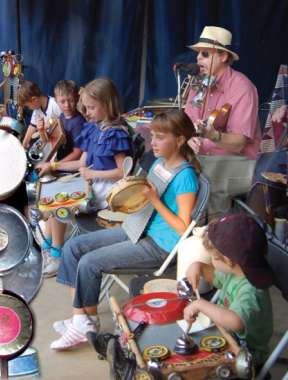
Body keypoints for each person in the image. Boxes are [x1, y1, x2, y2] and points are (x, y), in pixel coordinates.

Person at [51, 109, 200, 350]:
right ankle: (81, 319)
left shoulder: (186, 177)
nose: (153, 142)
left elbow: (183, 228)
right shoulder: (160, 163)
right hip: (140, 227)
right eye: (153, 136)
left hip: (160, 245)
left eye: (160, 137)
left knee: (89, 262)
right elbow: (142, 195)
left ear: (181, 140)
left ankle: (85, 323)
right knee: (73, 246)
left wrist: (154, 200)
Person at [36, 78, 131, 277]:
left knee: (57, 202)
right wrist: (52, 165)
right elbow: (81, 164)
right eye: (85, 107)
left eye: (91, 108)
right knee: (49, 190)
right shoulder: (94, 128)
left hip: (106, 194)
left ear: (107, 105)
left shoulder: (115, 133)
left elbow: (123, 172)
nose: (86, 113)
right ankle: (51, 243)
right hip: (92, 184)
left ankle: (57, 252)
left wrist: (92, 174)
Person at [184, 26, 260, 217]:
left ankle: (214, 237)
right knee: (173, 165)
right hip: (204, 156)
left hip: (242, 162)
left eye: (204, 54)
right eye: (198, 54)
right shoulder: (198, 84)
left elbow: (240, 143)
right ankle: (179, 228)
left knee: (210, 178)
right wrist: (188, 139)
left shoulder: (243, 88)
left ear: (223, 57)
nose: (197, 58)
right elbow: (187, 125)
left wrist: (213, 135)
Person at [184, 214, 274, 369]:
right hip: (224, 337)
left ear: (228, 261)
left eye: (213, 258)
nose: (211, 261)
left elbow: (235, 322)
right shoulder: (235, 272)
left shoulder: (251, 291)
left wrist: (200, 304)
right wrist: (198, 266)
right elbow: (213, 274)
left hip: (246, 358)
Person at [19, 80, 62, 149]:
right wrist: (23, 145)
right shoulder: (37, 109)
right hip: (51, 141)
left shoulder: (55, 104)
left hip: (62, 142)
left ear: (34, 99)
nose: (29, 108)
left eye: (28, 106)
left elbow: (65, 119)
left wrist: (51, 122)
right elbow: (32, 127)